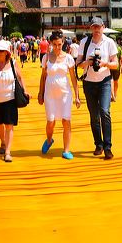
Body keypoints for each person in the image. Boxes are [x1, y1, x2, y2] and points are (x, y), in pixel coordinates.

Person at [76, 17, 119, 160]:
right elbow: (78, 64)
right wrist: (87, 62)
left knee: (105, 112)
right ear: (91, 28)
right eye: (94, 27)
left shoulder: (109, 42)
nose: (96, 30)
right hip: (88, 83)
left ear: (103, 27)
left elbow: (116, 64)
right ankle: (98, 144)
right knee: (94, 116)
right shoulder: (84, 42)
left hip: (105, 81)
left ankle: (108, 147)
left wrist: (105, 63)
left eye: (98, 27)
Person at [38, 31, 81, 160]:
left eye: (60, 44)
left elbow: (73, 78)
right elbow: (43, 76)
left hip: (65, 94)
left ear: (63, 43)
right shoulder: (46, 57)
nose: (57, 47)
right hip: (50, 94)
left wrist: (77, 96)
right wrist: (40, 93)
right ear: (51, 43)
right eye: (55, 44)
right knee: (50, 121)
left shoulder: (68, 58)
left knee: (66, 120)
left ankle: (66, 149)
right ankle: (49, 139)